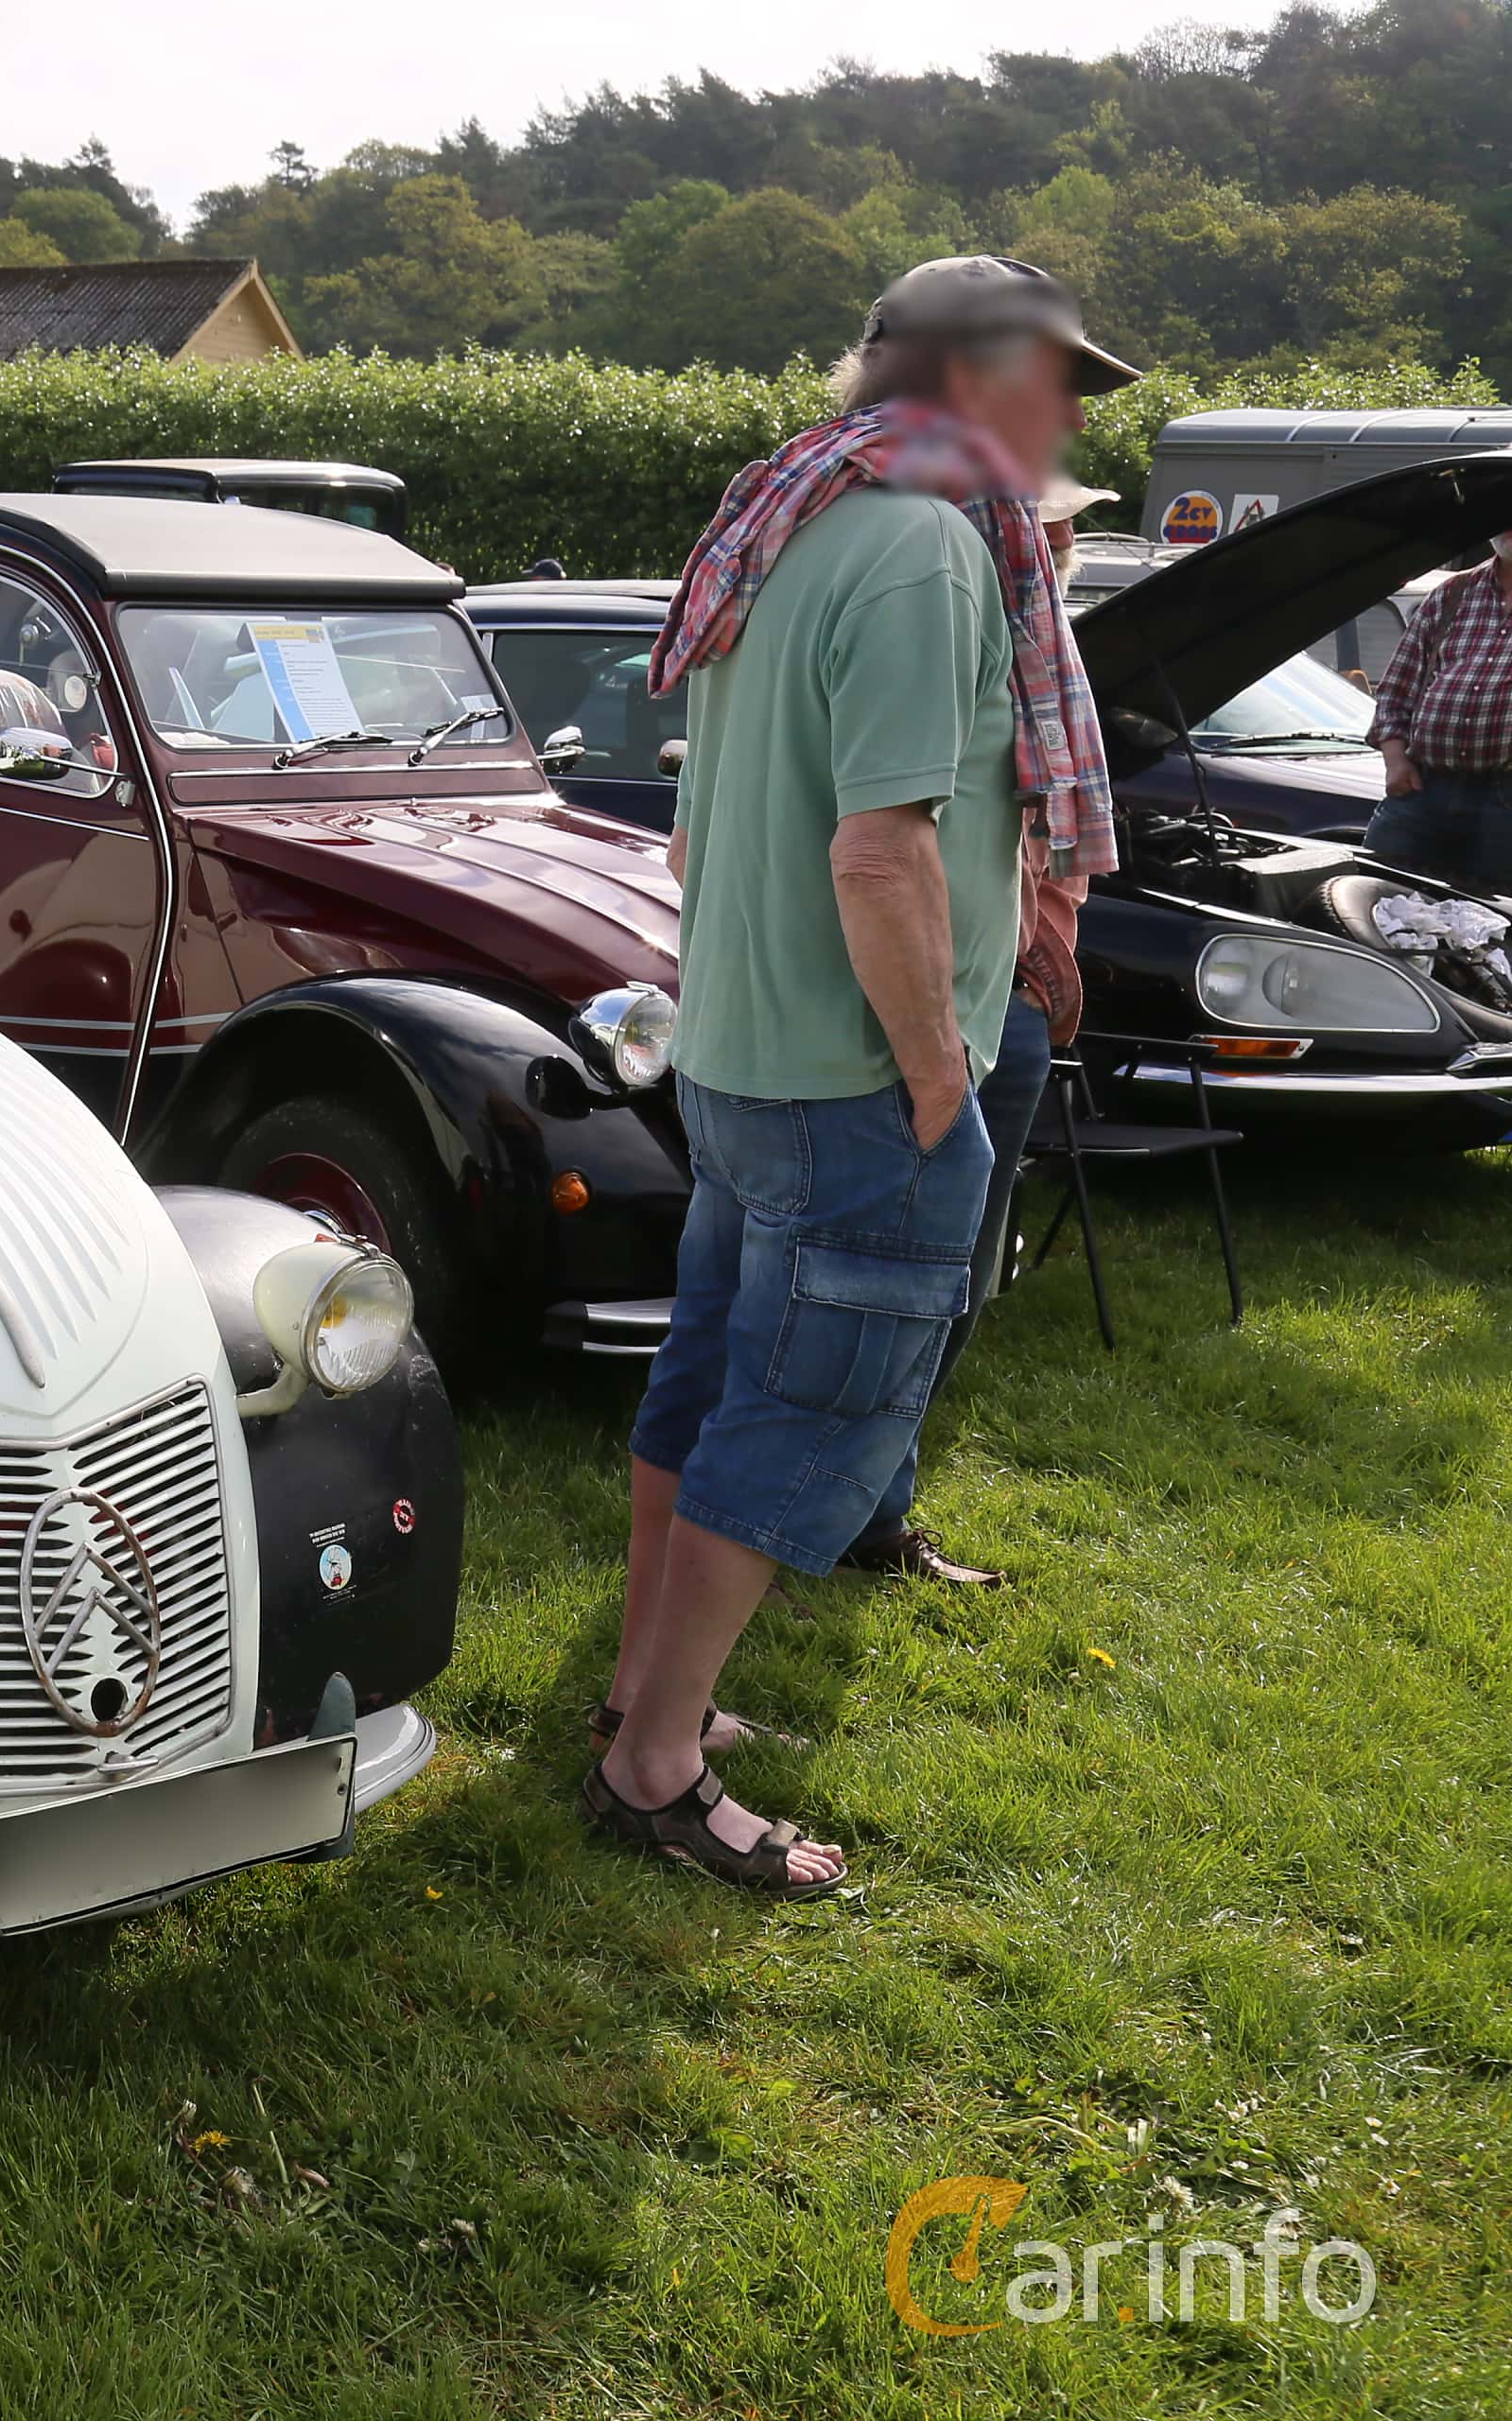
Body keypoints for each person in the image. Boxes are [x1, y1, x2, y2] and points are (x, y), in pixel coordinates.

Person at [592, 256, 1137, 1901]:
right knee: (807, 1405)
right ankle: (655, 1763)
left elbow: (697, 824)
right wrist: (928, 1082)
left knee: (709, 1376)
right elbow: (883, 851)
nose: (1068, 422)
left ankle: (642, 1691)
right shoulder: (915, 548)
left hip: (745, 1055)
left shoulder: (793, 515)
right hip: (851, 1076)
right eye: (1052, 386)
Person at [832, 478, 1117, 1589]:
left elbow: (1047, 830)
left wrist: (1047, 944)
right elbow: (894, 839)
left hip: (1016, 996)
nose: (1057, 539)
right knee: (900, 1272)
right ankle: (848, 1513)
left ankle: (873, 1508)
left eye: (1064, 523)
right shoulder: (937, 621)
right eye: (1040, 520)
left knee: (960, 1274)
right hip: (940, 1000)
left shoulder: (1045, 644)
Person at [1364, 525, 1512, 891]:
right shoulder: (1453, 593)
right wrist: (1395, 761)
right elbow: (1396, 690)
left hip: (1504, 804)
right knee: (1378, 903)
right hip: (1422, 789)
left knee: (1490, 930)